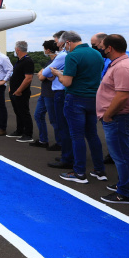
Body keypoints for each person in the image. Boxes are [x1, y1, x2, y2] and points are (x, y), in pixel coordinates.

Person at [51, 31, 106, 184]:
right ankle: (99, 169)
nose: (64, 48)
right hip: (93, 98)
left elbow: (67, 82)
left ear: (68, 42)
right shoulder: (96, 54)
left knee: (77, 136)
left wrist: (58, 74)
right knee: (92, 135)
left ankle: (79, 172)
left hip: (75, 98)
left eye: (63, 45)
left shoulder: (72, 56)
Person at [96, 34, 129, 205]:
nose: (100, 48)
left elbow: (122, 96)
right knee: (123, 154)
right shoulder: (120, 65)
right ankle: (125, 184)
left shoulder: (123, 67)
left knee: (122, 155)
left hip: (118, 117)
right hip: (118, 117)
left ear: (110, 48)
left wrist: (108, 115)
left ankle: (126, 192)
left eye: (102, 46)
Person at [43, 32, 73, 167]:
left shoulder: (62, 56)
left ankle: (67, 157)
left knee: (63, 125)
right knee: (64, 125)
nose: (56, 44)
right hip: (61, 91)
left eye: (56, 41)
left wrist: (53, 73)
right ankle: (66, 154)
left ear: (64, 42)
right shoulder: (65, 56)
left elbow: (45, 73)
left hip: (60, 92)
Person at [31, 40, 58, 148]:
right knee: (38, 115)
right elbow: (40, 74)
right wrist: (43, 73)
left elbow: (41, 76)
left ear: (48, 50)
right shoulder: (49, 62)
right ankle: (43, 140)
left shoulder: (56, 61)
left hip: (51, 94)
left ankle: (59, 142)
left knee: (54, 119)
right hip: (44, 93)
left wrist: (43, 73)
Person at [9, 40, 34, 142]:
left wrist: (19, 90)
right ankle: (19, 130)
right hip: (14, 92)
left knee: (24, 112)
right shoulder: (19, 61)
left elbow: (28, 78)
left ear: (17, 49)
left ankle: (28, 134)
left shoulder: (28, 61)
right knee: (18, 112)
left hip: (21, 93)